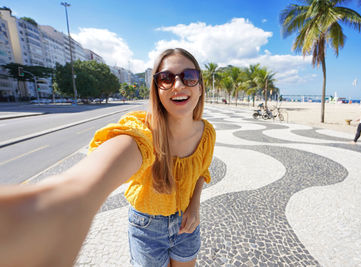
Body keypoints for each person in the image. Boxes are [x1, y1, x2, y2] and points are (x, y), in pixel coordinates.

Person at [0, 48, 215, 267]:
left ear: (200, 87)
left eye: (189, 76)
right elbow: (128, 145)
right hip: (147, 229)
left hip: (187, 227)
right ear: (157, 89)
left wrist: (194, 207)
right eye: (166, 78)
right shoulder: (144, 129)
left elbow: (201, 173)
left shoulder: (207, 134)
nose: (178, 85)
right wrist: (68, 197)